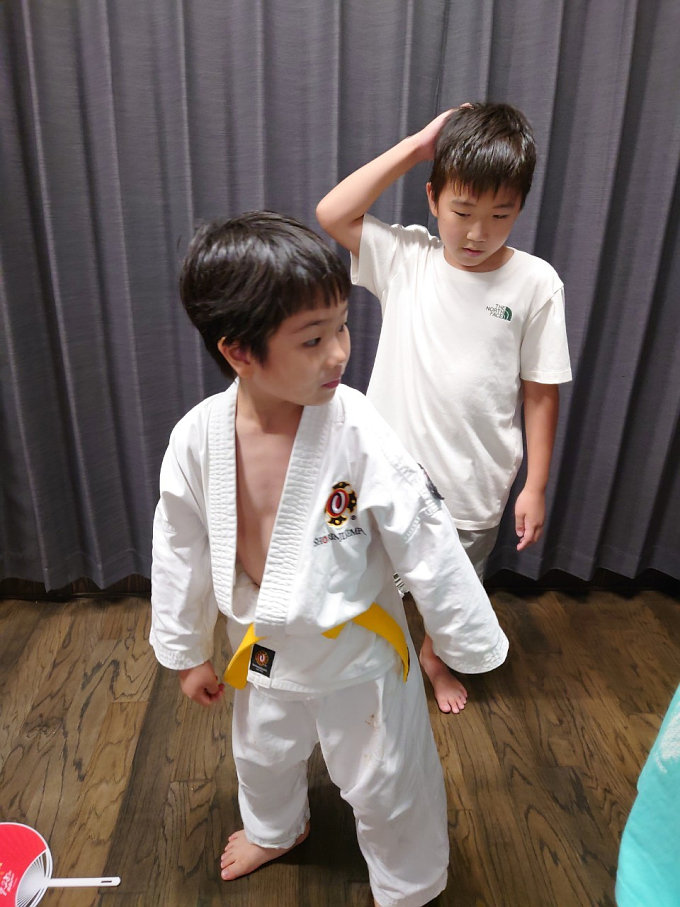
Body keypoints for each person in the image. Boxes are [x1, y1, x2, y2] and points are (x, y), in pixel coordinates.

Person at [150, 211, 509, 907]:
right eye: (313, 339)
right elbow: (179, 549)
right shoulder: (197, 440)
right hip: (264, 648)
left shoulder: (357, 427)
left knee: (387, 776)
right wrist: (187, 651)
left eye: (342, 327)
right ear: (240, 351)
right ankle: (275, 828)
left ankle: (408, 882)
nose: (339, 353)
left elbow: (423, 532)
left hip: (359, 655)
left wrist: (460, 635)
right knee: (261, 755)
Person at [316, 102, 572, 715]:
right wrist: (417, 145)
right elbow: (332, 213)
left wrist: (536, 485)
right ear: (433, 199)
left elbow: (541, 390)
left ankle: (433, 656)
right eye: (462, 212)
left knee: (450, 588)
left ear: (520, 209)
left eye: (500, 215)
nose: (478, 233)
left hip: (474, 480)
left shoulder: (536, 284)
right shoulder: (408, 257)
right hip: (380, 477)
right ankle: (361, 662)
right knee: (354, 569)